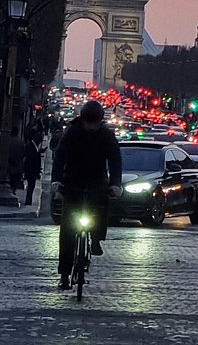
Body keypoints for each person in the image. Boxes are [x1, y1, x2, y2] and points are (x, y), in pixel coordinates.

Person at [51, 100, 122, 290]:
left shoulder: (107, 135)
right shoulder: (72, 133)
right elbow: (60, 156)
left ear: (100, 122)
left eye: (95, 123)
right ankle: (64, 275)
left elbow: (115, 159)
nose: (91, 127)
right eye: (88, 123)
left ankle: (97, 238)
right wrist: (56, 180)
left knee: (102, 206)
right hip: (73, 181)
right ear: (82, 120)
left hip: (97, 181)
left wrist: (115, 184)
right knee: (67, 231)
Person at [22, 130, 44, 207]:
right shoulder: (31, 146)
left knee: (31, 186)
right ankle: (28, 202)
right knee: (31, 186)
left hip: (32, 171)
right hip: (31, 171)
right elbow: (30, 159)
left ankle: (29, 201)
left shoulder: (34, 146)